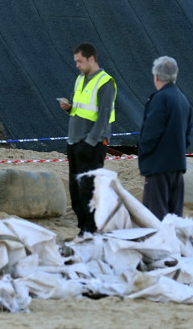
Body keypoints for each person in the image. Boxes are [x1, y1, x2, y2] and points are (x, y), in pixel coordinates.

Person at [59, 42, 116, 241]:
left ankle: (92, 231)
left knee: (89, 190)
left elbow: (104, 115)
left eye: (80, 61)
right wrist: (69, 107)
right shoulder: (80, 79)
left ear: (91, 59)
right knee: (76, 191)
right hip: (75, 141)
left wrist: (90, 142)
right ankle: (84, 229)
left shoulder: (105, 82)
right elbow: (81, 109)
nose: (77, 65)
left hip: (91, 144)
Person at [138, 56, 192, 219]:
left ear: (156, 76)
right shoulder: (183, 99)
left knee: (155, 218)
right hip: (177, 166)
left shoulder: (160, 98)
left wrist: (144, 155)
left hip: (159, 167)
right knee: (174, 219)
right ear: (175, 75)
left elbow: (151, 133)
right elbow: (187, 137)